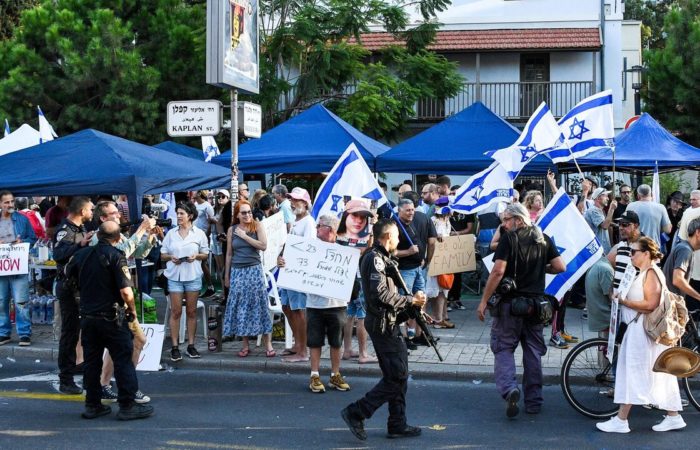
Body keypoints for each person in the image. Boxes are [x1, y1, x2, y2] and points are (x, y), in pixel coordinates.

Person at [341, 219, 427, 441]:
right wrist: (409, 300)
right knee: (396, 376)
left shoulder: (384, 258)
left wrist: (412, 307)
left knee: (399, 375)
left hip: (390, 323)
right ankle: (357, 412)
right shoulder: (374, 259)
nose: (399, 240)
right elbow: (380, 295)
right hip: (382, 325)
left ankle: (397, 423)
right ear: (388, 236)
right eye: (397, 236)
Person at [476, 203, 565, 417]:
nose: (504, 224)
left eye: (507, 220)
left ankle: (509, 389)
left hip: (510, 305)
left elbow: (498, 271)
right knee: (533, 353)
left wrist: (483, 301)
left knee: (504, 348)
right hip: (536, 307)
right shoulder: (543, 238)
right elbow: (560, 267)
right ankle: (534, 402)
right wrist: (540, 267)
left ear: (518, 219)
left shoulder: (509, 238)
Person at [596, 237, 686, 433]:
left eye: (634, 252)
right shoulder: (645, 272)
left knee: (633, 372)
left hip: (642, 331)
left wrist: (624, 302)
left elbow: (650, 304)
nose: (631, 255)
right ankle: (673, 416)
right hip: (639, 330)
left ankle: (621, 420)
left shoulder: (651, 273)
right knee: (654, 374)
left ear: (646, 254)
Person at [66, 221, 154, 420]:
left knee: (91, 362)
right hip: (112, 318)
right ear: (116, 239)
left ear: (98, 235)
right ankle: (127, 405)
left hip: (88, 318)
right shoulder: (116, 256)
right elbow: (126, 291)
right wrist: (131, 311)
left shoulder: (81, 255)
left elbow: (66, 276)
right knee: (123, 361)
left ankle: (92, 404)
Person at [89, 201, 155, 404]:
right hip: (111, 303)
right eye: (114, 213)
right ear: (103, 218)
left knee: (131, 343)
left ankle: (105, 384)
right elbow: (122, 252)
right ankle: (128, 388)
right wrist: (141, 228)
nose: (119, 216)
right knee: (132, 342)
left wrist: (150, 236)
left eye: (118, 213)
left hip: (121, 304)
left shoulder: (119, 235)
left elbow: (138, 253)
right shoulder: (97, 239)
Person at [304, 214, 351, 392]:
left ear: (329, 229)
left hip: (337, 304)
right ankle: (314, 376)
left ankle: (335, 375)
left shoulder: (343, 251)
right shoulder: (309, 248)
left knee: (336, 342)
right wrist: (282, 262)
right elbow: (293, 265)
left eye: (319, 226)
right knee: (314, 341)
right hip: (315, 304)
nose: (316, 229)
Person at [222, 200, 274, 357]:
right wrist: (226, 275)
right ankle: (245, 344)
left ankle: (268, 344)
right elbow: (229, 253)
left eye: (249, 212)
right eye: (243, 212)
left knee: (260, 305)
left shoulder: (257, 226)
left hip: (254, 270)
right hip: (238, 271)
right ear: (237, 215)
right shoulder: (232, 230)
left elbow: (263, 245)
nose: (247, 215)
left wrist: (245, 237)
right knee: (241, 307)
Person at [53, 196, 95, 394]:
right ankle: (65, 379)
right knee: (69, 334)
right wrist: (79, 245)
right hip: (68, 287)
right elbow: (59, 255)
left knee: (82, 331)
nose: (92, 213)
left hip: (81, 287)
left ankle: (79, 366)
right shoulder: (66, 230)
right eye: (90, 210)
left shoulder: (80, 230)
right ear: (82, 211)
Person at [161, 201, 210, 362]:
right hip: (174, 276)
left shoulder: (199, 233)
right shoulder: (171, 233)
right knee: (176, 311)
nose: (179, 216)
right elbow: (163, 254)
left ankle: (191, 345)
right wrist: (171, 257)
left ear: (190, 216)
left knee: (191, 311)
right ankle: (175, 347)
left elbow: (205, 254)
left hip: (193, 275)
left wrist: (196, 256)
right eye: (178, 213)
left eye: (182, 213)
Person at [337, 199, 377, 364]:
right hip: (357, 279)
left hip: (346, 279)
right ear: (346, 215)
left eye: (363, 216)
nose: (359, 219)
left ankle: (347, 350)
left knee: (350, 314)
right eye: (355, 215)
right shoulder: (350, 234)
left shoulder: (340, 234)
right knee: (361, 316)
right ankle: (363, 354)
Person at [278, 187, 315, 362]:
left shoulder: (308, 222)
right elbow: (290, 245)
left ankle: (303, 350)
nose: (293, 203)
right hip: (288, 273)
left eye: (297, 200)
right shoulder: (297, 221)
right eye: (292, 200)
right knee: (287, 308)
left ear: (305, 203)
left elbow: (308, 249)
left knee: (299, 311)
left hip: (298, 274)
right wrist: (281, 257)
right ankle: (298, 344)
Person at [394, 198, 437, 348]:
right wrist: (408, 252)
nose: (411, 213)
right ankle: (404, 337)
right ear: (399, 211)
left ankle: (419, 334)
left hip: (419, 268)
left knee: (421, 301)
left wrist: (426, 260)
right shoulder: (394, 225)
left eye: (412, 209)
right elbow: (390, 251)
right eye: (407, 210)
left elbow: (432, 242)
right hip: (404, 270)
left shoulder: (421, 218)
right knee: (405, 303)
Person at [0, 190, 37, 347]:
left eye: (12, 202)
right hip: (1, 267)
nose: (10, 205)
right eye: (6, 202)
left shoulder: (22, 219)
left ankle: (24, 334)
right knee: (1, 301)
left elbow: (33, 238)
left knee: (21, 301)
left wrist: (22, 243)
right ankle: (3, 333)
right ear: (0, 204)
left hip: (18, 264)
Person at [663, 217, 700, 312]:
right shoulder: (685, 250)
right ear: (698, 233)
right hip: (669, 306)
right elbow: (677, 280)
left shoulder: (685, 247)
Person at [425, 205, 454, 328]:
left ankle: (439, 319)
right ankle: (422, 319)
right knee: (429, 290)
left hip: (445, 259)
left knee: (443, 288)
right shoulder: (432, 221)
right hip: (433, 260)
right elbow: (429, 241)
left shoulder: (448, 222)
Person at [193, 190, 216, 298]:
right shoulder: (195, 205)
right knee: (198, 262)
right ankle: (201, 287)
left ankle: (210, 286)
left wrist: (207, 234)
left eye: (195, 192)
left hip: (203, 236)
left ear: (199, 193)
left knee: (202, 262)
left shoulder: (207, 206)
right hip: (194, 236)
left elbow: (212, 222)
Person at [584, 256, 614, 338]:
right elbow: (612, 297)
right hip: (604, 316)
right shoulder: (606, 269)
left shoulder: (597, 264)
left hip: (596, 313)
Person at [584, 187, 617, 254]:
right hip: (598, 251)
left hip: (602, 250)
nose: (608, 199)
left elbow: (604, 223)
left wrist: (616, 225)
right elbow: (604, 226)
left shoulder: (599, 210)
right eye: (606, 196)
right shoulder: (593, 210)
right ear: (598, 198)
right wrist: (612, 209)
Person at [211, 189, 230, 287]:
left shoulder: (228, 209)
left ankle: (225, 292)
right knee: (219, 266)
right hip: (214, 237)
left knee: (223, 266)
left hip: (222, 239)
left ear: (228, 198)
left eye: (223, 197)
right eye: (219, 197)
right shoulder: (215, 209)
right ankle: (223, 292)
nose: (220, 199)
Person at [665, 191, 686, 257]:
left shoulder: (684, 215)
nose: (675, 204)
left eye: (678, 202)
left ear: (681, 205)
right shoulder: (665, 213)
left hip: (679, 244)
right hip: (666, 243)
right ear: (670, 201)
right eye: (673, 201)